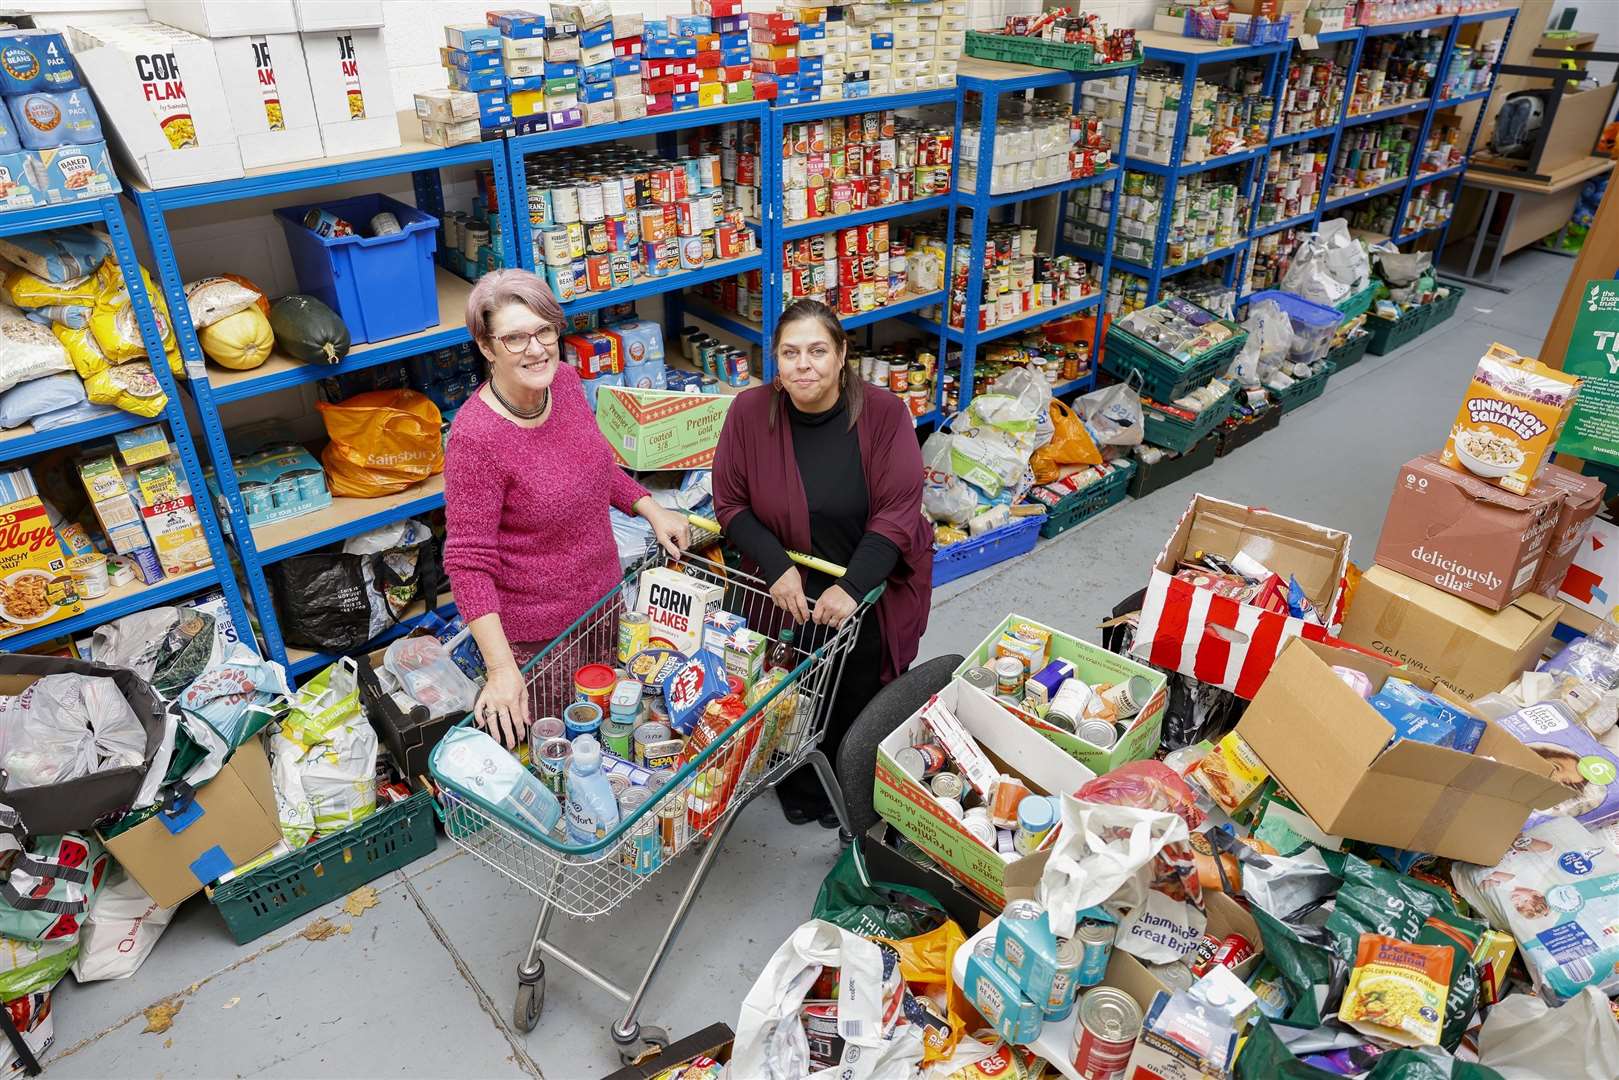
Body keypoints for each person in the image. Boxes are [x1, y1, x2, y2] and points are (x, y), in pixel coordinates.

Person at [443, 269, 687, 749]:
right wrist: (501, 668)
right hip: (541, 642)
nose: (535, 349)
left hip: (602, 606)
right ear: (486, 347)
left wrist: (651, 508)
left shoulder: (568, 386)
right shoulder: (475, 440)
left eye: (544, 330)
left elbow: (595, 469)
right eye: (514, 338)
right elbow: (467, 565)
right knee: (564, 760)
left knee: (612, 743)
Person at [713, 299, 933, 827]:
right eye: (790, 353)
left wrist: (853, 587)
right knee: (790, 688)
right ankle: (803, 783)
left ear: (841, 356)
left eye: (817, 350)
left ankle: (849, 782)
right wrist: (776, 566)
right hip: (782, 595)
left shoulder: (882, 415)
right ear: (776, 361)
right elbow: (730, 505)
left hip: (866, 590)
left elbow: (898, 513)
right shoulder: (749, 412)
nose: (803, 364)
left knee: (855, 689)